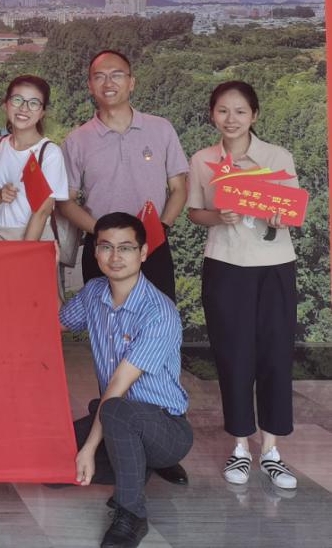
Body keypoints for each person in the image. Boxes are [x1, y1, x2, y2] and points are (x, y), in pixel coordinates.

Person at [187, 81, 300, 490]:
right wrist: (218, 216)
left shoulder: (277, 157)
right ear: (212, 115)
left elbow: (292, 212)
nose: (230, 119)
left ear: (254, 115)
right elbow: (195, 212)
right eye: (222, 110)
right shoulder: (202, 160)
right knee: (233, 357)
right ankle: (239, 446)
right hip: (225, 265)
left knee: (275, 355)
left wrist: (279, 216)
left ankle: (271, 450)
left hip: (274, 267)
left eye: (239, 111)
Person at [60, 213, 193, 548]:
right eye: (106, 247)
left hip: (165, 429)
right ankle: (134, 467)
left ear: (143, 253)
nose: (115, 257)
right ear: (95, 252)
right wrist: (44, 267)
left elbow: (119, 387)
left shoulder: (158, 312)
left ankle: (131, 513)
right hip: (115, 418)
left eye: (126, 248)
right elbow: (55, 322)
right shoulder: (94, 293)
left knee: (115, 410)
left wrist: (89, 449)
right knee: (54, 461)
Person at [58, 50, 188, 303]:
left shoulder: (161, 128)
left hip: (152, 244)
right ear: (90, 85)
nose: (108, 83)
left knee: (158, 318)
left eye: (117, 75)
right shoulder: (77, 141)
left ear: (131, 82)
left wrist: (161, 227)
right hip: (102, 249)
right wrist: (103, 233)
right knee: (104, 319)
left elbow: (179, 187)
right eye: (100, 77)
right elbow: (66, 201)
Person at [0, 74, 69, 242]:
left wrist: (26, 251)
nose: (24, 108)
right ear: (5, 104)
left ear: (42, 112)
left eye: (34, 103)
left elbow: (42, 212)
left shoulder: (49, 153)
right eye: (17, 100)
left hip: (36, 238)